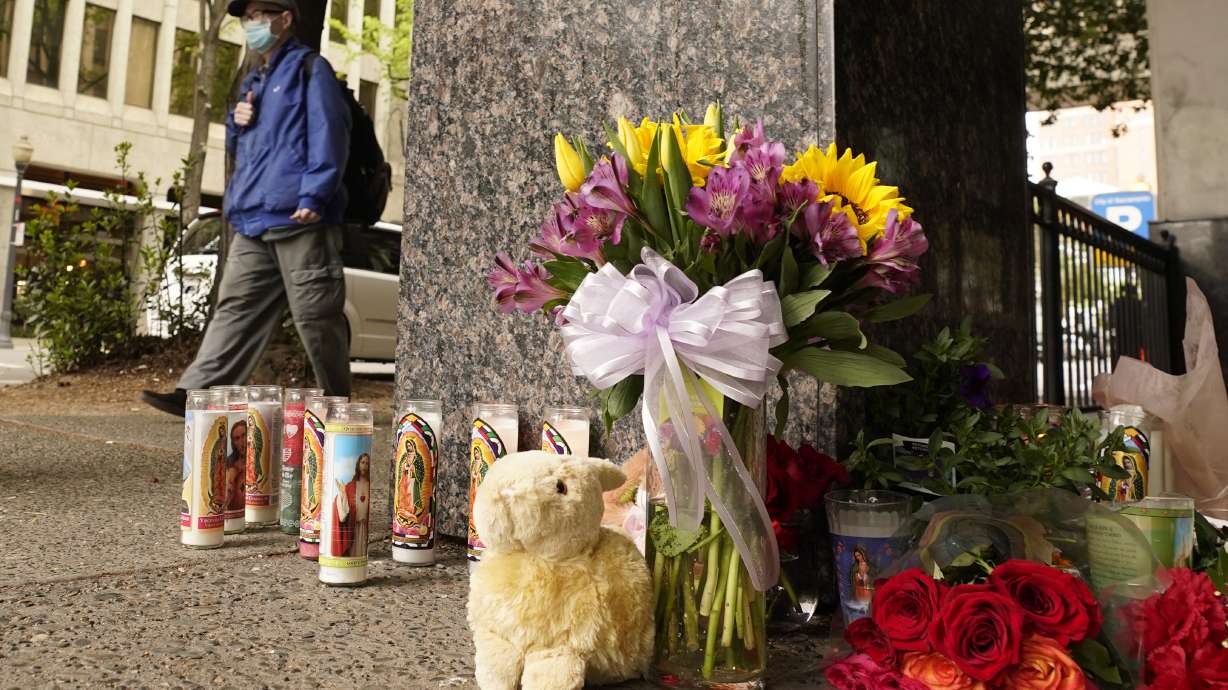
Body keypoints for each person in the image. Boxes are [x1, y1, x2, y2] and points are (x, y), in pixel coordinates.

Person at [141, 0, 352, 417]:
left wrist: (314, 195)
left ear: (285, 19)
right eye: (247, 17)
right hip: (254, 219)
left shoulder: (311, 69)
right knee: (235, 308)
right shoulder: (255, 79)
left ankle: (336, 403)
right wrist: (237, 123)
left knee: (316, 317)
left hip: (298, 218)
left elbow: (331, 132)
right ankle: (195, 393)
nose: (251, 24)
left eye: (259, 15)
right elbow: (247, 152)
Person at [331, 453, 371, 557]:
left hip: (364, 526)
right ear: (358, 465)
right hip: (354, 526)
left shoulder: (369, 484)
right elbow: (343, 504)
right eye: (362, 463)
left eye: (367, 463)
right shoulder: (351, 485)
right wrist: (342, 493)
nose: (364, 466)